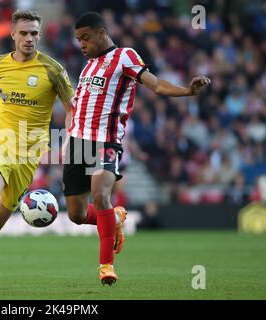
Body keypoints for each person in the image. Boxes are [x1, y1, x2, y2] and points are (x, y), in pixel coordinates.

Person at [62, 12, 211, 285]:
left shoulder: (124, 56)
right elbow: (78, 105)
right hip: (76, 144)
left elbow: (155, 85)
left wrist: (187, 91)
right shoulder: (87, 67)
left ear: (101, 33)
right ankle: (115, 219)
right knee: (76, 214)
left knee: (101, 193)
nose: (81, 44)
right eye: (77, 39)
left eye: (85, 38)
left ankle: (106, 265)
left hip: (105, 141)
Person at [0, 10, 74, 289]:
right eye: (23, 33)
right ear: (12, 35)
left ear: (40, 35)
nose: (29, 38)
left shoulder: (53, 70)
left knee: (1, 215)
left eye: (34, 33)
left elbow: (71, 109)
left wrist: (69, 137)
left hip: (30, 152)